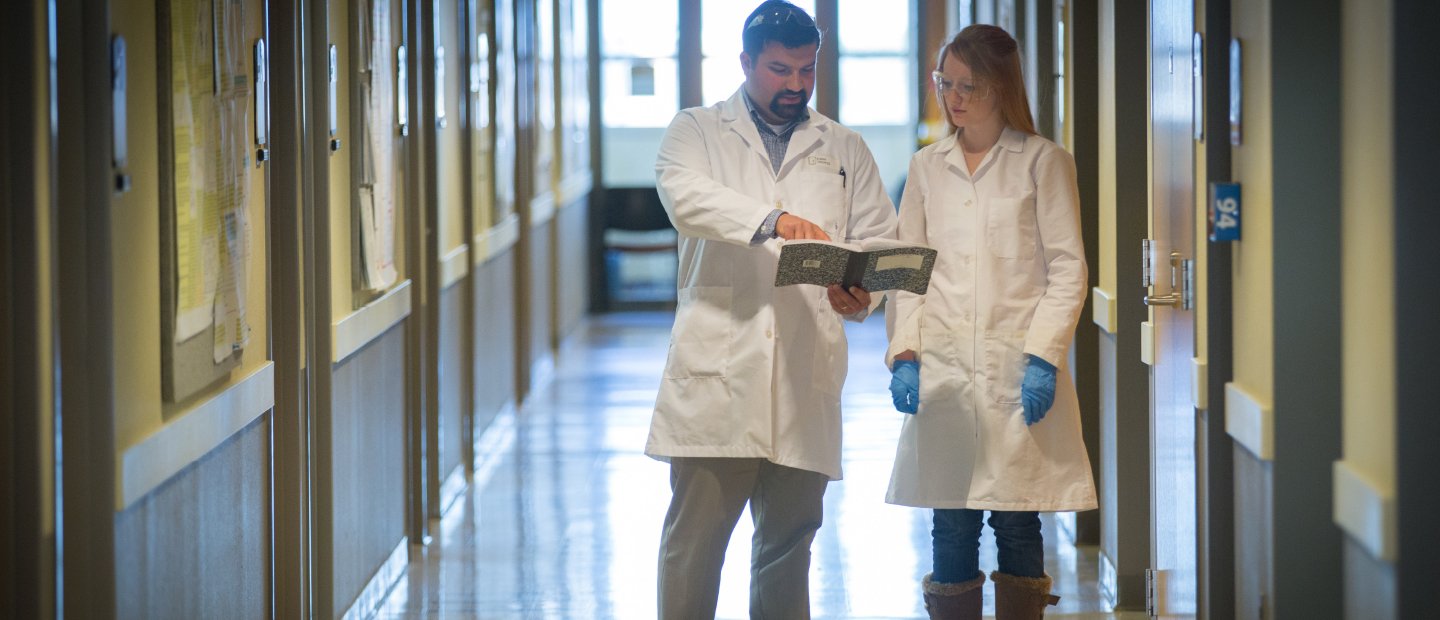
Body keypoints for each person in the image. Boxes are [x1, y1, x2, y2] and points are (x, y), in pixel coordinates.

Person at [644, 1, 897, 617]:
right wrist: (773, 220)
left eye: (807, 70)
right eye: (780, 70)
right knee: (694, 547)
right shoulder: (697, 130)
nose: (797, 85)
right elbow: (687, 200)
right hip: (718, 375)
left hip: (804, 374)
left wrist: (864, 292)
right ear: (745, 62)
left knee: (788, 548)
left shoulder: (844, 147)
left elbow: (879, 240)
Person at [883, 24, 1096, 620]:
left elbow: (1068, 269)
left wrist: (1042, 358)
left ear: (1000, 87)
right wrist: (904, 354)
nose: (952, 97)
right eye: (944, 83)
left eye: (967, 86)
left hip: (1013, 370)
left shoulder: (1043, 162)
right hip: (944, 370)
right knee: (950, 523)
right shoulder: (927, 167)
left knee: (1016, 517)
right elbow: (907, 272)